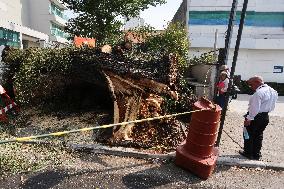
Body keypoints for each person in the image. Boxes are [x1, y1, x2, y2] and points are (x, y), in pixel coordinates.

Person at [239, 76, 278, 160]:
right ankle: (256, 154)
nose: (250, 87)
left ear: (257, 82)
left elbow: (254, 108)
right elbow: (272, 105)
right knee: (258, 135)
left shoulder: (259, 93)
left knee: (247, 134)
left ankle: (248, 152)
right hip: (265, 116)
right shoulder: (273, 91)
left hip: (255, 117)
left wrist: (249, 118)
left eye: (251, 84)